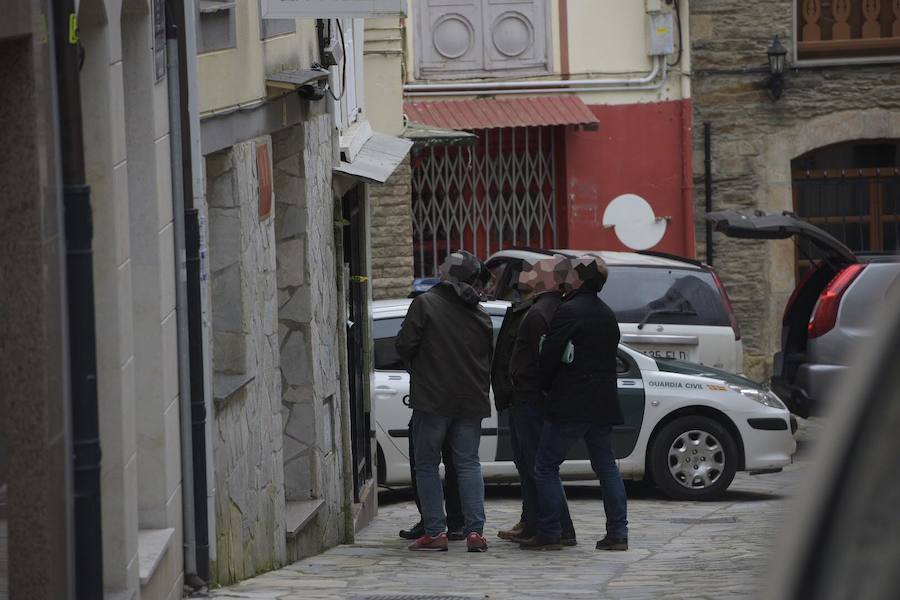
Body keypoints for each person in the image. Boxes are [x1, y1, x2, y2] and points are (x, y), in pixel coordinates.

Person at [526, 257, 629, 551]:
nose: (566, 277)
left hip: (571, 402)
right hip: (603, 402)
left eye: (571, 273)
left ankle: (550, 531)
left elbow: (550, 357)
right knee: (607, 466)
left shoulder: (568, 311)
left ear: (579, 280)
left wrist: (545, 386)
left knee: (545, 465)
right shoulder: (607, 314)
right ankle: (618, 533)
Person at [396, 250, 493, 552]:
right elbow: (486, 356)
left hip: (433, 398)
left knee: (426, 464)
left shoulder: (425, 304)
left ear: (448, 274)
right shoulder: (480, 313)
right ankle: (474, 532)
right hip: (469, 399)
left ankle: (435, 531)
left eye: (443, 266)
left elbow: (404, 345)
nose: (437, 268)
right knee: (468, 463)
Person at [507, 257, 578, 548]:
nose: (530, 273)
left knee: (541, 466)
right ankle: (548, 525)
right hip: (531, 396)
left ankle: (557, 528)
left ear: (550, 280)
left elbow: (542, 360)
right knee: (538, 465)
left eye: (538, 270)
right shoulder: (542, 309)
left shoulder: (540, 313)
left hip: (532, 398)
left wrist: (529, 385)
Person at [490, 271, 534, 540]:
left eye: (530, 270)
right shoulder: (519, 310)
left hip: (524, 397)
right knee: (529, 465)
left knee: (535, 467)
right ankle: (533, 520)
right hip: (515, 396)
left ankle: (544, 524)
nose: (519, 276)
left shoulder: (532, 312)